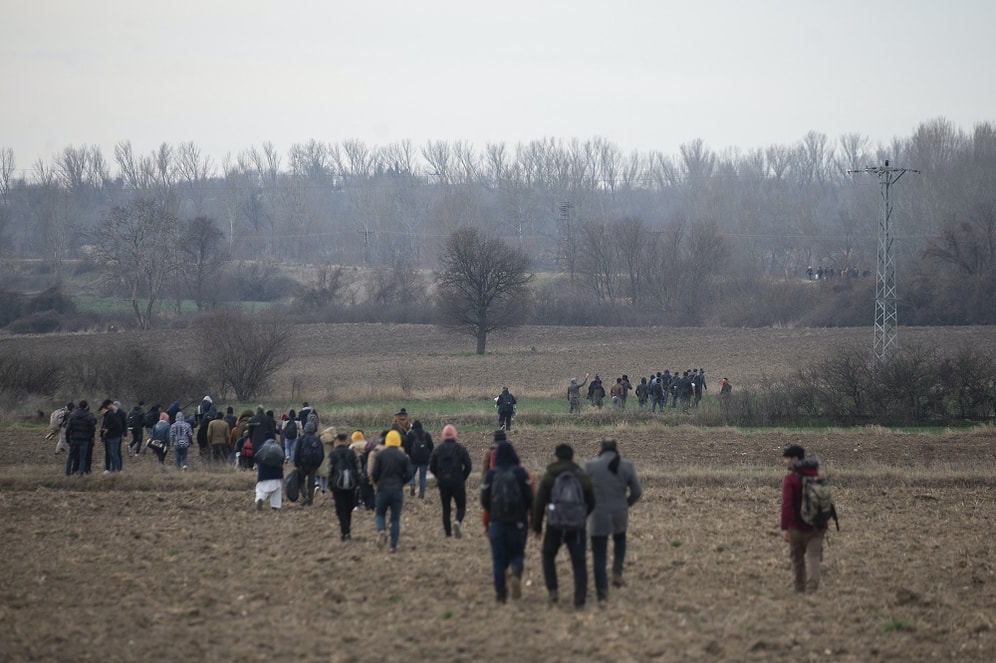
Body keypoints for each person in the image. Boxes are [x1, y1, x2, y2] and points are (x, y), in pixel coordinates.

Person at [533, 443, 596, 609]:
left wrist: (537, 526)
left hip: (555, 524)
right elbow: (592, 501)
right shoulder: (581, 476)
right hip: (577, 526)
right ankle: (580, 599)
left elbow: (539, 504)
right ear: (572, 457)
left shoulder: (549, 476)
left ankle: (553, 590)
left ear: (556, 457)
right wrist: (582, 516)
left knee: (548, 554)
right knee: (579, 561)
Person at [585, 438, 643, 603]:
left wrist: (589, 506)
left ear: (601, 449)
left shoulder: (590, 466)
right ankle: (617, 571)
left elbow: (583, 489)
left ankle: (602, 593)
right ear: (616, 449)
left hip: (598, 514)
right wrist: (626, 503)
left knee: (599, 554)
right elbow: (637, 491)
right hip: (619, 512)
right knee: (620, 539)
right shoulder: (626, 465)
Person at [480, 436, 533, 603]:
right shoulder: (520, 473)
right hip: (518, 522)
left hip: (497, 522)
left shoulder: (491, 474)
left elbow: (484, 499)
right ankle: (516, 572)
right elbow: (530, 497)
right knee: (517, 554)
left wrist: (490, 516)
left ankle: (501, 595)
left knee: (498, 560)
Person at [781, 444, 827, 593]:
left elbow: (787, 505)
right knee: (814, 557)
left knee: (798, 559)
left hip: (797, 527)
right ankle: (812, 587)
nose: (785, 461)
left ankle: (799, 588)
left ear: (795, 459)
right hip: (817, 526)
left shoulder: (791, 479)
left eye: (787, 458)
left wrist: (785, 527)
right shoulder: (817, 475)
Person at [371, 430, 412, 553]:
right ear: (399, 441)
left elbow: (374, 473)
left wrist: (378, 482)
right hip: (397, 491)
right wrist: (402, 482)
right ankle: (393, 546)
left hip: (382, 489)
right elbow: (409, 474)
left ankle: (381, 530)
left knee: (379, 514)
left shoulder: (380, 455)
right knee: (394, 519)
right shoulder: (403, 456)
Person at [428, 424, 473, 538]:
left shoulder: (438, 449)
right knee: (461, 507)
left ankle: (448, 535)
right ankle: (457, 521)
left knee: (446, 509)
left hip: (443, 483)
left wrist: (439, 477)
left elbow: (432, 465)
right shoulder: (460, 449)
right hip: (458, 482)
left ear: (443, 436)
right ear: (455, 435)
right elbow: (468, 466)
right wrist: (463, 477)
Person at [328, 432, 360, 540]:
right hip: (351, 485)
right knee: (348, 508)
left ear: (337, 441)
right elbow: (356, 469)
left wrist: (330, 484)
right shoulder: (351, 453)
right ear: (346, 440)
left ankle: (344, 531)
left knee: (340, 508)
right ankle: (348, 530)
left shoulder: (333, 454)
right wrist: (357, 482)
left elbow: (330, 470)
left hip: (337, 485)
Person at [295, 420, 324, 506]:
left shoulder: (301, 439)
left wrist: (297, 464)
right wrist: (317, 465)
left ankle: (305, 496)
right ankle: (310, 501)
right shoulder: (317, 440)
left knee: (300, 481)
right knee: (311, 483)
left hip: (302, 465)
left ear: (305, 429)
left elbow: (296, 452)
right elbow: (321, 454)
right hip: (313, 466)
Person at [64, 400, 96, 477]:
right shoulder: (89, 416)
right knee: (82, 457)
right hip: (84, 439)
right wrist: (90, 436)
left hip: (74, 438)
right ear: (86, 406)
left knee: (71, 456)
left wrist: (68, 439)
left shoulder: (72, 415)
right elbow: (93, 428)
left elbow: (68, 429)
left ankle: (67, 472)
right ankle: (81, 473)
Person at [404, 420, 433, 498]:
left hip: (413, 459)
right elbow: (431, 447)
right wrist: (428, 456)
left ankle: (412, 483)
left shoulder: (410, 434)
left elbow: (406, 447)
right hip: (424, 460)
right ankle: (421, 495)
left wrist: (410, 455)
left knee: (411, 474)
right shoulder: (426, 434)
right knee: (422, 477)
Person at [255, 440, 285, 511]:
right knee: (276, 491)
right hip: (276, 476)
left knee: (261, 490)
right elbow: (282, 462)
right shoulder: (278, 452)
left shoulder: (262, 452)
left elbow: (256, 459)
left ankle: (260, 498)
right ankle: (275, 506)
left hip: (263, 475)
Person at [98, 399, 125, 473]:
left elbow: (114, 424)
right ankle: (112, 469)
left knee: (114, 453)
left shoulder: (112, 414)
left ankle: (118, 469)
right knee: (111, 453)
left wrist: (106, 431)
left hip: (114, 436)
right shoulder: (112, 414)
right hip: (113, 436)